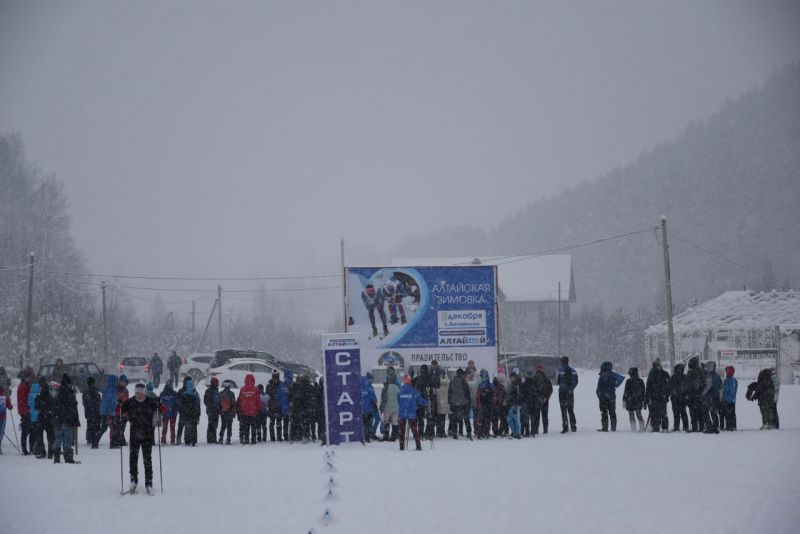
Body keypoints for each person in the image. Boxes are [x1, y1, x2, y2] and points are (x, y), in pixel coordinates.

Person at [121, 382, 160, 494]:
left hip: (147, 433)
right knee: (133, 458)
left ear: (144, 393)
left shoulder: (150, 402)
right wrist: (119, 407)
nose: (139, 395)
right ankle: (133, 480)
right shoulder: (130, 402)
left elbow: (161, 410)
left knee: (147, 459)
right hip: (134, 433)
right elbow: (120, 411)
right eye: (137, 393)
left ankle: (149, 483)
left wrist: (160, 406)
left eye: (141, 393)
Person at [397, 375, 429, 451]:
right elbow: (420, 400)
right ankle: (418, 445)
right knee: (414, 430)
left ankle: (401, 446)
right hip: (412, 414)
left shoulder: (400, 391)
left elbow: (398, 401)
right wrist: (427, 403)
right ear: (410, 382)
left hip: (402, 413)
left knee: (402, 430)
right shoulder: (413, 391)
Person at [54, 374, 80, 464]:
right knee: (67, 439)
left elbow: (56, 405)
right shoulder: (69, 393)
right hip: (67, 419)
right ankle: (68, 458)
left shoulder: (58, 392)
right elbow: (72, 407)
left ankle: (56, 458)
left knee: (58, 439)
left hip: (58, 419)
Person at [596, 361, 625, 432]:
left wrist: (598, 394)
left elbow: (599, 387)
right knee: (612, 412)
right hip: (611, 397)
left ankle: (605, 427)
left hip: (603, 397)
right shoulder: (613, 374)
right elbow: (621, 378)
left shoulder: (602, 375)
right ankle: (613, 428)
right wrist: (615, 384)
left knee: (604, 412)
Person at [646, 359, 671, 433]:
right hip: (660, 396)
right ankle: (664, 427)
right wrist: (666, 395)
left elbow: (648, 386)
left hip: (655, 396)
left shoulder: (652, 373)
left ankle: (655, 427)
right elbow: (669, 386)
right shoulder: (664, 373)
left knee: (654, 413)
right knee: (662, 412)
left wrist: (648, 396)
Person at [33, 378, 56, 459]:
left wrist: (40, 404)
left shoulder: (42, 394)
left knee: (41, 435)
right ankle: (50, 451)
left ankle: (43, 451)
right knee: (49, 436)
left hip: (44, 417)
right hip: (47, 417)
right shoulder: (48, 394)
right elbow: (52, 405)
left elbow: (37, 406)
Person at [237, 373, 261, 444]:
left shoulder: (242, 389)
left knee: (246, 426)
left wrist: (239, 409)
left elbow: (240, 400)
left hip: (245, 412)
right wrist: (258, 409)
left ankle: (246, 439)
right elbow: (258, 401)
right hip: (253, 412)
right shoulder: (256, 389)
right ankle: (253, 440)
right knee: (253, 426)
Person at [448, 368, 472, 439]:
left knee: (455, 419)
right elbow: (467, 392)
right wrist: (468, 402)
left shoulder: (452, 381)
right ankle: (468, 432)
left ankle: (454, 433)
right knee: (466, 418)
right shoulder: (464, 381)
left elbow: (450, 393)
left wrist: (450, 402)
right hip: (464, 403)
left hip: (455, 403)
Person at [557, 357, 579, 433]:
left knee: (563, 410)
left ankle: (565, 427)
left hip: (562, 392)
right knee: (571, 410)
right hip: (570, 393)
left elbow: (558, 381)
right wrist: (571, 389)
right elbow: (576, 381)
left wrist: (562, 387)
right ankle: (573, 426)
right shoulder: (573, 370)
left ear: (562, 362)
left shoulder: (560, 370)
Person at [178, 378, 201, 446]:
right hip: (194, 413)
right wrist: (198, 413)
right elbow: (198, 403)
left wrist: (181, 410)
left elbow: (180, 403)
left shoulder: (183, 393)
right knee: (193, 427)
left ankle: (186, 440)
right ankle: (193, 440)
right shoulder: (194, 393)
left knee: (186, 427)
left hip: (185, 413)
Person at [380, 368, 401, 441]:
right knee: (395, 422)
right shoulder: (397, 387)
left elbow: (383, 399)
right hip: (396, 408)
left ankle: (386, 435)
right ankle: (394, 436)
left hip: (387, 408)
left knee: (386, 421)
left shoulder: (386, 388)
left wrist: (381, 407)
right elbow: (399, 398)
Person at [531, 365, 552, 435]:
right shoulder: (546, 378)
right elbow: (550, 389)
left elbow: (532, 390)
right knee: (545, 415)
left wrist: (536, 397)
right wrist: (546, 397)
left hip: (537, 400)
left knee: (536, 416)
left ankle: (536, 430)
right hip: (545, 400)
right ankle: (545, 430)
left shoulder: (534, 378)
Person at [685, 356, 705, 432]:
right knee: (700, 412)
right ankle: (701, 426)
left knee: (693, 412)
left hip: (692, 395)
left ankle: (694, 427)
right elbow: (702, 383)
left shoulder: (690, 372)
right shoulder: (701, 371)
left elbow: (688, 385)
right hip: (699, 395)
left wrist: (687, 393)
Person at [622, 367, 646, 432]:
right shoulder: (640, 381)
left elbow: (626, 391)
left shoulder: (629, 381)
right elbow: (643, 392)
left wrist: (624, 400)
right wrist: (644, 400)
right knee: (639, 415)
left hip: (630, 401)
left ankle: (633, 429)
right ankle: (642, 428)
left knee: (631, 415)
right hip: (638, 401)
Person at [16, 368, 33, 455]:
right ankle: (24, 449)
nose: (30, 378)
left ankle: (26, 448)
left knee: (27, 428)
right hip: (24, 410)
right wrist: (28, 404)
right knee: (26, 429)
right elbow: (23, 399)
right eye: (29, 377)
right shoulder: (23, 386)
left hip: (25, 409)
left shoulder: (25, 384)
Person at [99, 374, 119, 447]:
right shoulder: (112, 390)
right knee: (113, 428)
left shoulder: (107, 389)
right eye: (116, 381)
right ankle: (113, 444)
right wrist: (111, 411)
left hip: (105, 412)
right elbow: (110, 402)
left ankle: (95, 441)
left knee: (103, 428)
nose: (117, 383)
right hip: (109, 413)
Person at [82, 376, 102, 448]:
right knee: (96, 426)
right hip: (96, 412)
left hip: (88, 412)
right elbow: (99, 402)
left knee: (89, 425)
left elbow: (84, 403)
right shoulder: (95, 392)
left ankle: (89, 438)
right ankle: (94, 438)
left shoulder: (85, 393)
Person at [669, 363, 689, 432]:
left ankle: (676, 427)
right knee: (683, 413)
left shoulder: (673, 377)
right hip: (682, 398)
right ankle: (685, 427)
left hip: (675, 399)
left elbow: (670, 387)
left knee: (676, 414)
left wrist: (670, 394)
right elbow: (686, 388)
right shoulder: (685, 377)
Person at [475, 369, 495, 439]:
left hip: (483, 405)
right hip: (488, 404)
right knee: (487, 419)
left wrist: (478, 403)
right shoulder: (490, 385)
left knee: (481, 419)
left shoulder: (481, 385)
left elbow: (478, 396)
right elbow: (493, 394)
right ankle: (486, 433)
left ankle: (481, 433)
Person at [505, 368, 523, 439]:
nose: (511, 378)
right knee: (509, 418)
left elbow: (518, 395)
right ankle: (514, 432)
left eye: (512, 377)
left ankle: (518, 433)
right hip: (512, 403)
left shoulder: (517, 384)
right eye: (511, 377)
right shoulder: (512, 384)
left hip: (516, 404)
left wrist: (515, 404)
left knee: (516, 419)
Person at [361, 373, 378, 443]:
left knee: (363, 423)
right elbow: (374, 399)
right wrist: (375, 405)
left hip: (361, 409)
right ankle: (367, 437)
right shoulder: (370, 388)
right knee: (368, 423)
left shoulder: (361, 387)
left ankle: (363, 436)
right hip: (368, 409)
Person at [265, 371, 282, 441]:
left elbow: (267, 396)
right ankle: (275, 437)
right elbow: (268, 396)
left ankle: (277, 437)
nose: (276, 377)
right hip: (274, 405)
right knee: (274, 422)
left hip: (275, 405)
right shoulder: (270, 385)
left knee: (276, 422)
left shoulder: (270, 385)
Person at [720, 366, 737, 431]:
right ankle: (733, 426)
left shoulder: (729, 380)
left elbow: (726, 390)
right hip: (732, 400)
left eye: (727, 371)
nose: (726, 372)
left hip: (727, 400)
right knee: (732, 414)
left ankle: (729, 426)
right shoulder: (734, 380)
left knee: (728, 414)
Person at [204, 377, 221, 444]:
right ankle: (211, 439)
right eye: (217, 383)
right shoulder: (210, 391)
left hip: (214, 410)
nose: (218, 384)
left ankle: (212, 438)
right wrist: (213, 407)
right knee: (212, 424)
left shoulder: (214, 390)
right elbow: (206, 401)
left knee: (214, 425)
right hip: (212, 410)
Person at [435, 374, 451, 439]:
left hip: (439, 404)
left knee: (438, 419)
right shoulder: (448, 385)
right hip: (445, 404)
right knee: (443, 419)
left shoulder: (437, 385)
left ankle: (438, 431)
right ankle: (443, 432)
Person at [278, 371, 292, 441]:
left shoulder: (293, 385)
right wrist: (282, 405)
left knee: (292, 422)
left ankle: (291, 434)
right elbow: (279, 397)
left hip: (292, 407)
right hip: (284, 407)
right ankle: (286, 435)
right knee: (285, 422)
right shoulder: (281, 386)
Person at [0, 385, 13, 455]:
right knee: (1, 432)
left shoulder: (4, 396)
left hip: (2, 417)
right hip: (2, 417)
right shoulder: (4, 397)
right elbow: (10, 407)